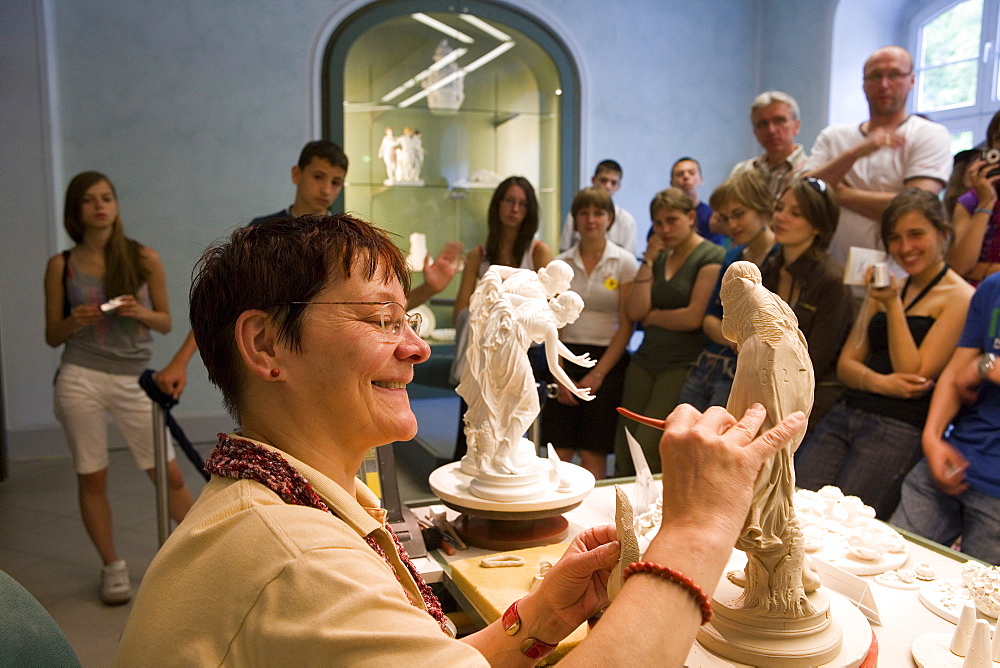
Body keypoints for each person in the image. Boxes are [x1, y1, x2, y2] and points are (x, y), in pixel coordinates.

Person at [113, 214, 807, 665]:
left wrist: (536, 616)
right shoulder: (293, 563)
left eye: (408, 318)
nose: (416, 347)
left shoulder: (287, 505)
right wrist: (700, 527)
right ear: (266, 344)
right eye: (382, 318)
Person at [154, 139, 461, 399]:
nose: (326, 189)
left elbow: (379, 310)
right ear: (297, 174)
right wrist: (180, 361)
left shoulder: (348, 244)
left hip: (329, 373)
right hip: (274, 372)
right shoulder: (263, 235)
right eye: (318, 177)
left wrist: (430, 289)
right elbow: (224, 306)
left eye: (335, 182)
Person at [43, 171, 194, 605]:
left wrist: (139, 312)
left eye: (107, 197)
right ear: (76, 211)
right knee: (93, 476)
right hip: (80, 375)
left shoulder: (143, 258)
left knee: (167, 473)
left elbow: (165, 322)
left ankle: (202, 549)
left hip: (134, 378)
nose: (100, 206)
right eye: (89, 200)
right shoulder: (62, 265)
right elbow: (53, 334)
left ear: (116, 205)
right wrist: (76, 321)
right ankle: (112, 566)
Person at [795, 189, 975, 519]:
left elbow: (915, 372)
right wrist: (881, 383)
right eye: (895, 238)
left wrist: (892, 306)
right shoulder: (890, 286)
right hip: (848, 410)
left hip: (897, 428)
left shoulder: (960, 297)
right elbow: (847, 365)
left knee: (847, 526)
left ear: (942, 233)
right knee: (795, 506)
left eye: (916, 234)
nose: (905, 248)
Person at [806, 46, 952, 266]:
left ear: (911, 81)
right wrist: (855, 153)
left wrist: (841, 194)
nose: (884, 84)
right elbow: (804, 193)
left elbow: (915, 208)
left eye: (894, 75)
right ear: (864, 85)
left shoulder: (929, 134)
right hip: (832, 274)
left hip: (898, 276)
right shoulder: (833, 136)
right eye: (875, 76)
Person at [890, 272, 1000, 565]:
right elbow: (956, 372)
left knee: (981, 606)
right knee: (887, 565)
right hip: (952, 458)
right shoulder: (993, 287)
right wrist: (932, 438)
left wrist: (983, 366)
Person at [614, 188, 725, 476]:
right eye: (658, 223)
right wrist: (648, 260)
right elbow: (636, 311)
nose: (664, 229)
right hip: (645, 359)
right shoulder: (660, 257)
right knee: (625, 442)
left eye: (672, 220)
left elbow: (693, 317)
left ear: (691, 217)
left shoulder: (711, 255)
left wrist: (654, 316)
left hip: (682, 364)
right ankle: (622, 511)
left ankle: (653, 511)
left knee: (650, 442)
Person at [452, 176, 553, 461]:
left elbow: (543, 313)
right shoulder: (479, 254)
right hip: (485, 352)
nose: (514, 209)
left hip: (525, 354)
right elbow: (461, 311)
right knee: (474, 428)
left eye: (522, 203)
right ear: (498, 205)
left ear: (530, 210)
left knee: (514, 431)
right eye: (509, 200)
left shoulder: (538, 252)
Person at [542, 188, 637, 479]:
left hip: (606, 361)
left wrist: (597, 375)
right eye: (584, 213)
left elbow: (627, 323)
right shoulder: (561, 263)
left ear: (610, 219)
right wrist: (560, 374)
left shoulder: (624, 263)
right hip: (561, 355)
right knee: (559, 449)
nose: (591, 220)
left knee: (594, 450)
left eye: (598, 213)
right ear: (575, 218)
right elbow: (549, 320)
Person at [676, 171, 778, 413]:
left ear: (763, 210)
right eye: (725, 218)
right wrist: (736, 337)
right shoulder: (733, 256)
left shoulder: (781, 258)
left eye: (739, 215)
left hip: (747, 373)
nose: (732, 225)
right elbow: (710, 318)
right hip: (711, 362)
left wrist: (738, 336)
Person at [760, 178, 855, 428]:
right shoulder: (769, 268)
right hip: (763, 382)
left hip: (808, 397)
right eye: (780, 208)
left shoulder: (832, 282)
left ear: (818, 227)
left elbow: (814, 362)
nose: (780, 218)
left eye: (796, 213)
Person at [947, 109, 1000, 285]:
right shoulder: (972, 200)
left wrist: (980, 269)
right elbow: (960, 267)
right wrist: (986, 202)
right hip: (978, 301)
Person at [730, 90, 810, 199]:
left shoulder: (812, 171)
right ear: (755, 133)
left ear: (796, 126)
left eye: (779, 120)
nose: (771, 130)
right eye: (762, 124)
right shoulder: (741, 171)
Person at [559, 160, 638, 255]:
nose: (608, 186)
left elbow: (629, 258)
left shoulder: (627, 221)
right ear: (593, 180)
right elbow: (564, 250)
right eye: (604, 180)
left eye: (613, 182)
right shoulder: (575, 214)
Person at [671, 156, 726, 246]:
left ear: (701, 180)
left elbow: (715, 254)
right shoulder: (664, 217)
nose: (686, 177)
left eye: (691, 173)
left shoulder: (711, 216)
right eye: (680, 174)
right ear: (672, 183)